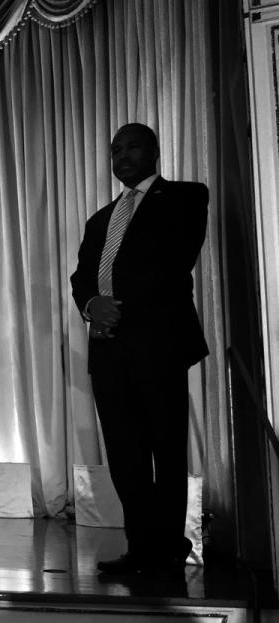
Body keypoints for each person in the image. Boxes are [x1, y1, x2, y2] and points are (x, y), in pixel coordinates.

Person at [70, 123, 209, 579]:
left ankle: (170, 546)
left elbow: (171, 264)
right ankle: (141, 545)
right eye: (114, 149)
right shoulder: (100, 218)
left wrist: (117, 310)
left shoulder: (187, 197)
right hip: (109, 351)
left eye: (130, 147)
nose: (121, 156)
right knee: (125, 455)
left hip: (159, 344)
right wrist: (93, 305)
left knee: (165, 450)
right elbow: (81, 279)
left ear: (153, 151)